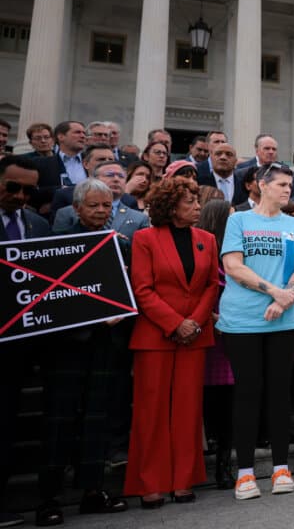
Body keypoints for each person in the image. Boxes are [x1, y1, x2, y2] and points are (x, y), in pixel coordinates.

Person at [35, 179, 130, 526]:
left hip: (107, 345)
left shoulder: (121, 244)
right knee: (59, 422)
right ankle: (49, 498)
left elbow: (129, 286)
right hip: (65, 349)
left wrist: (121, 311)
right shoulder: (55, 244)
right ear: (76, 208)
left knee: (98, 419)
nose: (102, 212)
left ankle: (93, 490)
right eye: (94, 206)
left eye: (106, 206)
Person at [218, 162, 294, 500]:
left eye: (290, 184)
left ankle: (281, 468)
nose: (288, 189)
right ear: (262, 184)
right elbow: (232, 265)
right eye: (282, 184)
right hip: (243, 320)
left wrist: (287, 298)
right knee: (247, 392)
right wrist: (274, 292)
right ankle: (244, 473)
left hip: (284, 318)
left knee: (278, 393)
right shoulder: (238, 220)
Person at [125, 176, 219, 508]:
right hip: (156, 336)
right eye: (190, 202)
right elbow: (143, 289)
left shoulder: (206, 239)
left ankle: (183, 480)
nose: (197, 207)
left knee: (187, 411)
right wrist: (175, 324)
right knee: (151, 413)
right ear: (171, 207)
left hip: (195, 335)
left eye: (197, 201)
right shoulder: (145, 239)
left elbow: (212, 284)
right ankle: (150, 483)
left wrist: (193, 322)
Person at [0, 156, 50, 527]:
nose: (20, 196)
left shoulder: (36, 223)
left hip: (19, 344)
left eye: (29, 190)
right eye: (13, 187)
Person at [195, 199, 237, 490]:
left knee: (230, 403)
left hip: (234, 333)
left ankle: (225, 462)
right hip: (208, 335)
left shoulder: (234, 252)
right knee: (210, 402)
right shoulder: (203, 251)